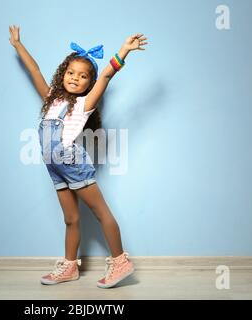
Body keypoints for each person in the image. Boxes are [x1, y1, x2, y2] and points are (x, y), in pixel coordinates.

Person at [9, 25, 148, 288]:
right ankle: (70, 266)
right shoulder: (50, 98)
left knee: (100, 212)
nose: (75, 78)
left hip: (73, 163)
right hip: (55, 168)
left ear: (88, 83)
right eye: (71, 72)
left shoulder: (85, 104)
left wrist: (124, 51)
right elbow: (35, 70)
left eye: (83, 76)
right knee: (71, 218)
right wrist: (18, 45)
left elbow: (106, 75)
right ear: (63, 74)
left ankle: (120, 262)